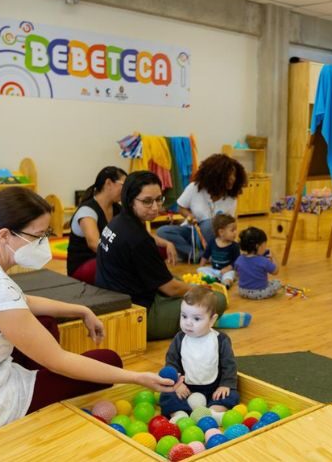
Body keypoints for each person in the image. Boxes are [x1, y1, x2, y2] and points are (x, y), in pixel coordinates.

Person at [0, 187, 176, 454]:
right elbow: (57, 359)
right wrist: (137, 378)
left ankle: (41, 377)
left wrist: (80, 310)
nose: (43, 244)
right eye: (37, 236)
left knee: (45, 320)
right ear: (4, 235)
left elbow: (20, 302)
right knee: (108, 360)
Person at [95, 171, 227, 340]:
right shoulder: (138, 239)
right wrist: (202, 290)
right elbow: (170, 289)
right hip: (139, 315)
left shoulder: (119, 220)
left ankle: (206, 320)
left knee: (179, 281)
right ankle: (207, 321)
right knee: (217, 299)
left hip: (121, 296)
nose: (156, 207)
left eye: (158, 199)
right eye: (147, 202)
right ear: (130, 200)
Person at [159, 286, 239, 417]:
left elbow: (229, 365)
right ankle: (179, 415)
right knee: (167, 394)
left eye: (196, 319)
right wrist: (177, 384)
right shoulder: (179, 339)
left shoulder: (221, 340)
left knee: (231, 394)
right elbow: (172, 363)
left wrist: (225, 385)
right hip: (185, 389)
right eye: (184, 316)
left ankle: (214, 413)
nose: (188, 323)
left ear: (212, 320)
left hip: (214, 388)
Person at [156, 154, 247, 263]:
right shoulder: (194, 188)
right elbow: (181, 208)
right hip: (191, 231)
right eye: (229, 175)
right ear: (216, 176)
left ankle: (195, 253)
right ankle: (198, 255)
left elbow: (229, 223)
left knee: (209, 224)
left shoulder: (231, 198)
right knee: (163, 231)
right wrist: (189, 216)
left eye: (234, 175)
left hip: (213, 238)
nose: (233, 178)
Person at [67, 166, 127, 284]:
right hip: (83, 266)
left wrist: (165, 243)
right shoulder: (87, 211)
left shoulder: (118, 209)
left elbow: (135, 233)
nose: (126, 190)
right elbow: (94, 244)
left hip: (105, 261)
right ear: (108, 183)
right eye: (123, 185)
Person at [234, 227, 281, 300]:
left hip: (242, 291)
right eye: (264, 245)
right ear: (257, 246)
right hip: (260, 293)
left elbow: (237, 274)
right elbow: (276, 271)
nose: (265, 248)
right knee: (277, 282)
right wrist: (273, 257)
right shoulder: (264, 261)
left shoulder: (239, 259)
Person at [197, 213, 240, 288]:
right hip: (214, 270)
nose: (235, 233)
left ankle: (226, 284)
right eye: (232, 230)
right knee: (200, 270)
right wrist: (201, 266)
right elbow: (205, 256)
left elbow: (237, 261)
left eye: (235, 230)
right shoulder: (212, 242)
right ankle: (214, 280)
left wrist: (229, 268)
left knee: (230, 274)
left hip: (226, 271)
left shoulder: (234, 246)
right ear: (221, 232)